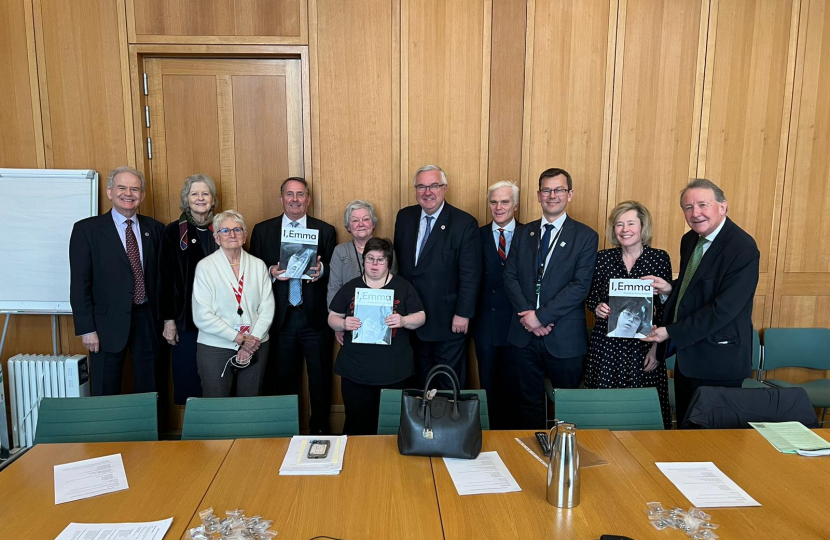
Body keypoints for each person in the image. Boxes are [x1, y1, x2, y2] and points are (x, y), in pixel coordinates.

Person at [643, 178, 759, 426]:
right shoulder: (690, 240)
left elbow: (723, 309)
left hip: (720, 361)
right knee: (687, 432)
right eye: (688, 207)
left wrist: (670, 332)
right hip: (689, 359)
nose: (695, 213)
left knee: (715, 441)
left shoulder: (742, 248)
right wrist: (670, 287)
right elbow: (695, 285)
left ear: (722, 207)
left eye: (702, 205)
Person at [503, 167, 598, 429]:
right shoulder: (524, 233)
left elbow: (580, 286)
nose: (552, 195)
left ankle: (565, 459)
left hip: (564, 336)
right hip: (523, 335)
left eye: (559, 190)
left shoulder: (586, 236)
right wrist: (529, 317)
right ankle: (531, 458)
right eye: (547, 190)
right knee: (527, 402)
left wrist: (541, 316)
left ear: (570, 195)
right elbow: (509, 277)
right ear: (538, 195)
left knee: (567, 405)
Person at [249, 177, 337, 434]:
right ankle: (286, 433)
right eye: (290, 194)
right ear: (281, 198)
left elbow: (334, 271)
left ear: (308, 199)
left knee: (320, 380)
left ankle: (320, 432)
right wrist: (270, 271)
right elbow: (254, 272)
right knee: (283, 379)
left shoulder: (326, 230)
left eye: (300, 194)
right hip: (280, 318)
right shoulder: (263, 230)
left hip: (315, 319)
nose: (295, 199)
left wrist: (322, 269)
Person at [70, 166, 165, 396]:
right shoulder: (87, 230)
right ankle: (107, 434)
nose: (128, 193)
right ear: (110, 192)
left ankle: (148, 433)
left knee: (149, 388)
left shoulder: (155, 229)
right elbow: (79, 283)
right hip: (105, 326)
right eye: (122, 187)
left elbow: (161, 278)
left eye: (135, 189)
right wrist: (87, 329)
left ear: (142, 195)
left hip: (147, 320)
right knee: (106, 388)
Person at [393, 165, 482, 389]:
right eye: (421, 186)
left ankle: (448, 425)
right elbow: (399, 267)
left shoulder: (464, 223)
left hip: (448, 321)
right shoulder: (404, 217)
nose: (427, 192)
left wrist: (463, 313)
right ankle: (422, 426)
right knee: (416, 383)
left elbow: (470, 275)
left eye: (434, 185)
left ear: (445, 188)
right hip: (410, 319)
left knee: (447, 384)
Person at [585, 201, 672, 428]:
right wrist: (597, 307)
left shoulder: (659, 258)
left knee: (641, 413)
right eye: (619, 224)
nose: (625, 229)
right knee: (604, 411)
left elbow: (665, 308)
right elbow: (591, 297)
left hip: (644, 344)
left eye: (631, 223)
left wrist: (657, 349)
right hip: (607, 345)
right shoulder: (602, 259)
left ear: (642, 226)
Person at [328, 238, 425, 435]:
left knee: (393, 427)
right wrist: (344, 323)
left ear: (388, 262)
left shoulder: (403, 287)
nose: (374, 264)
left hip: (395, 371)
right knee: (357, 425)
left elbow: (421, 317)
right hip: (356, 372)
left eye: (380, 260)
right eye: (370, 258)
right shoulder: (350, 287)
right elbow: (332, 317)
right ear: (363, 260)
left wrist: (404, 321)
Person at [192, 210, 274, 397]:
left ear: (245, 235)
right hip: (216, 346)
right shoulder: (205, 267)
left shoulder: (258, 265)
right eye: (225, 231)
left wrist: (252, 340)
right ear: (216, 237)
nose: (232, 234)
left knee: (249, 406)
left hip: (256, 343)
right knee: (216, 405)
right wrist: (239, 338)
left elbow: (267, 307)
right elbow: (202, 315)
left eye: (237, 229)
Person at [158, 174, 219, 404]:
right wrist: (168, 321)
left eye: (205, 193)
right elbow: (165, 279)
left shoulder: (226, 228)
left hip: (223, 320)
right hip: (187, 322)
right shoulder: (174, 232)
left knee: (219, 382)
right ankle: (194, 437)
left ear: (213, 200)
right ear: (187, 198)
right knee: (190, 382)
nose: (200, 198)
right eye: (195, 194)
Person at [473, 181, 523, 428]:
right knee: (489, 387)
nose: (499, 207)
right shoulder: (476, 235)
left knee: (518, 388)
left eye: (505, 202)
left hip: (521, 324)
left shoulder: (530, 234)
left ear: (516, 205)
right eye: (494, 202)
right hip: (486, 324)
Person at [327, 200, 398, 345]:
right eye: (355, 220)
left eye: (366, 219)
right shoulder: (340, 251)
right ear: (348, 226)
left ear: (373, 224)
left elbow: (394, 286)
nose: (361, 224)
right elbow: (334, 287)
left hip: (382, 321)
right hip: (349, 322)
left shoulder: (388, 250)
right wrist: (338, 322)